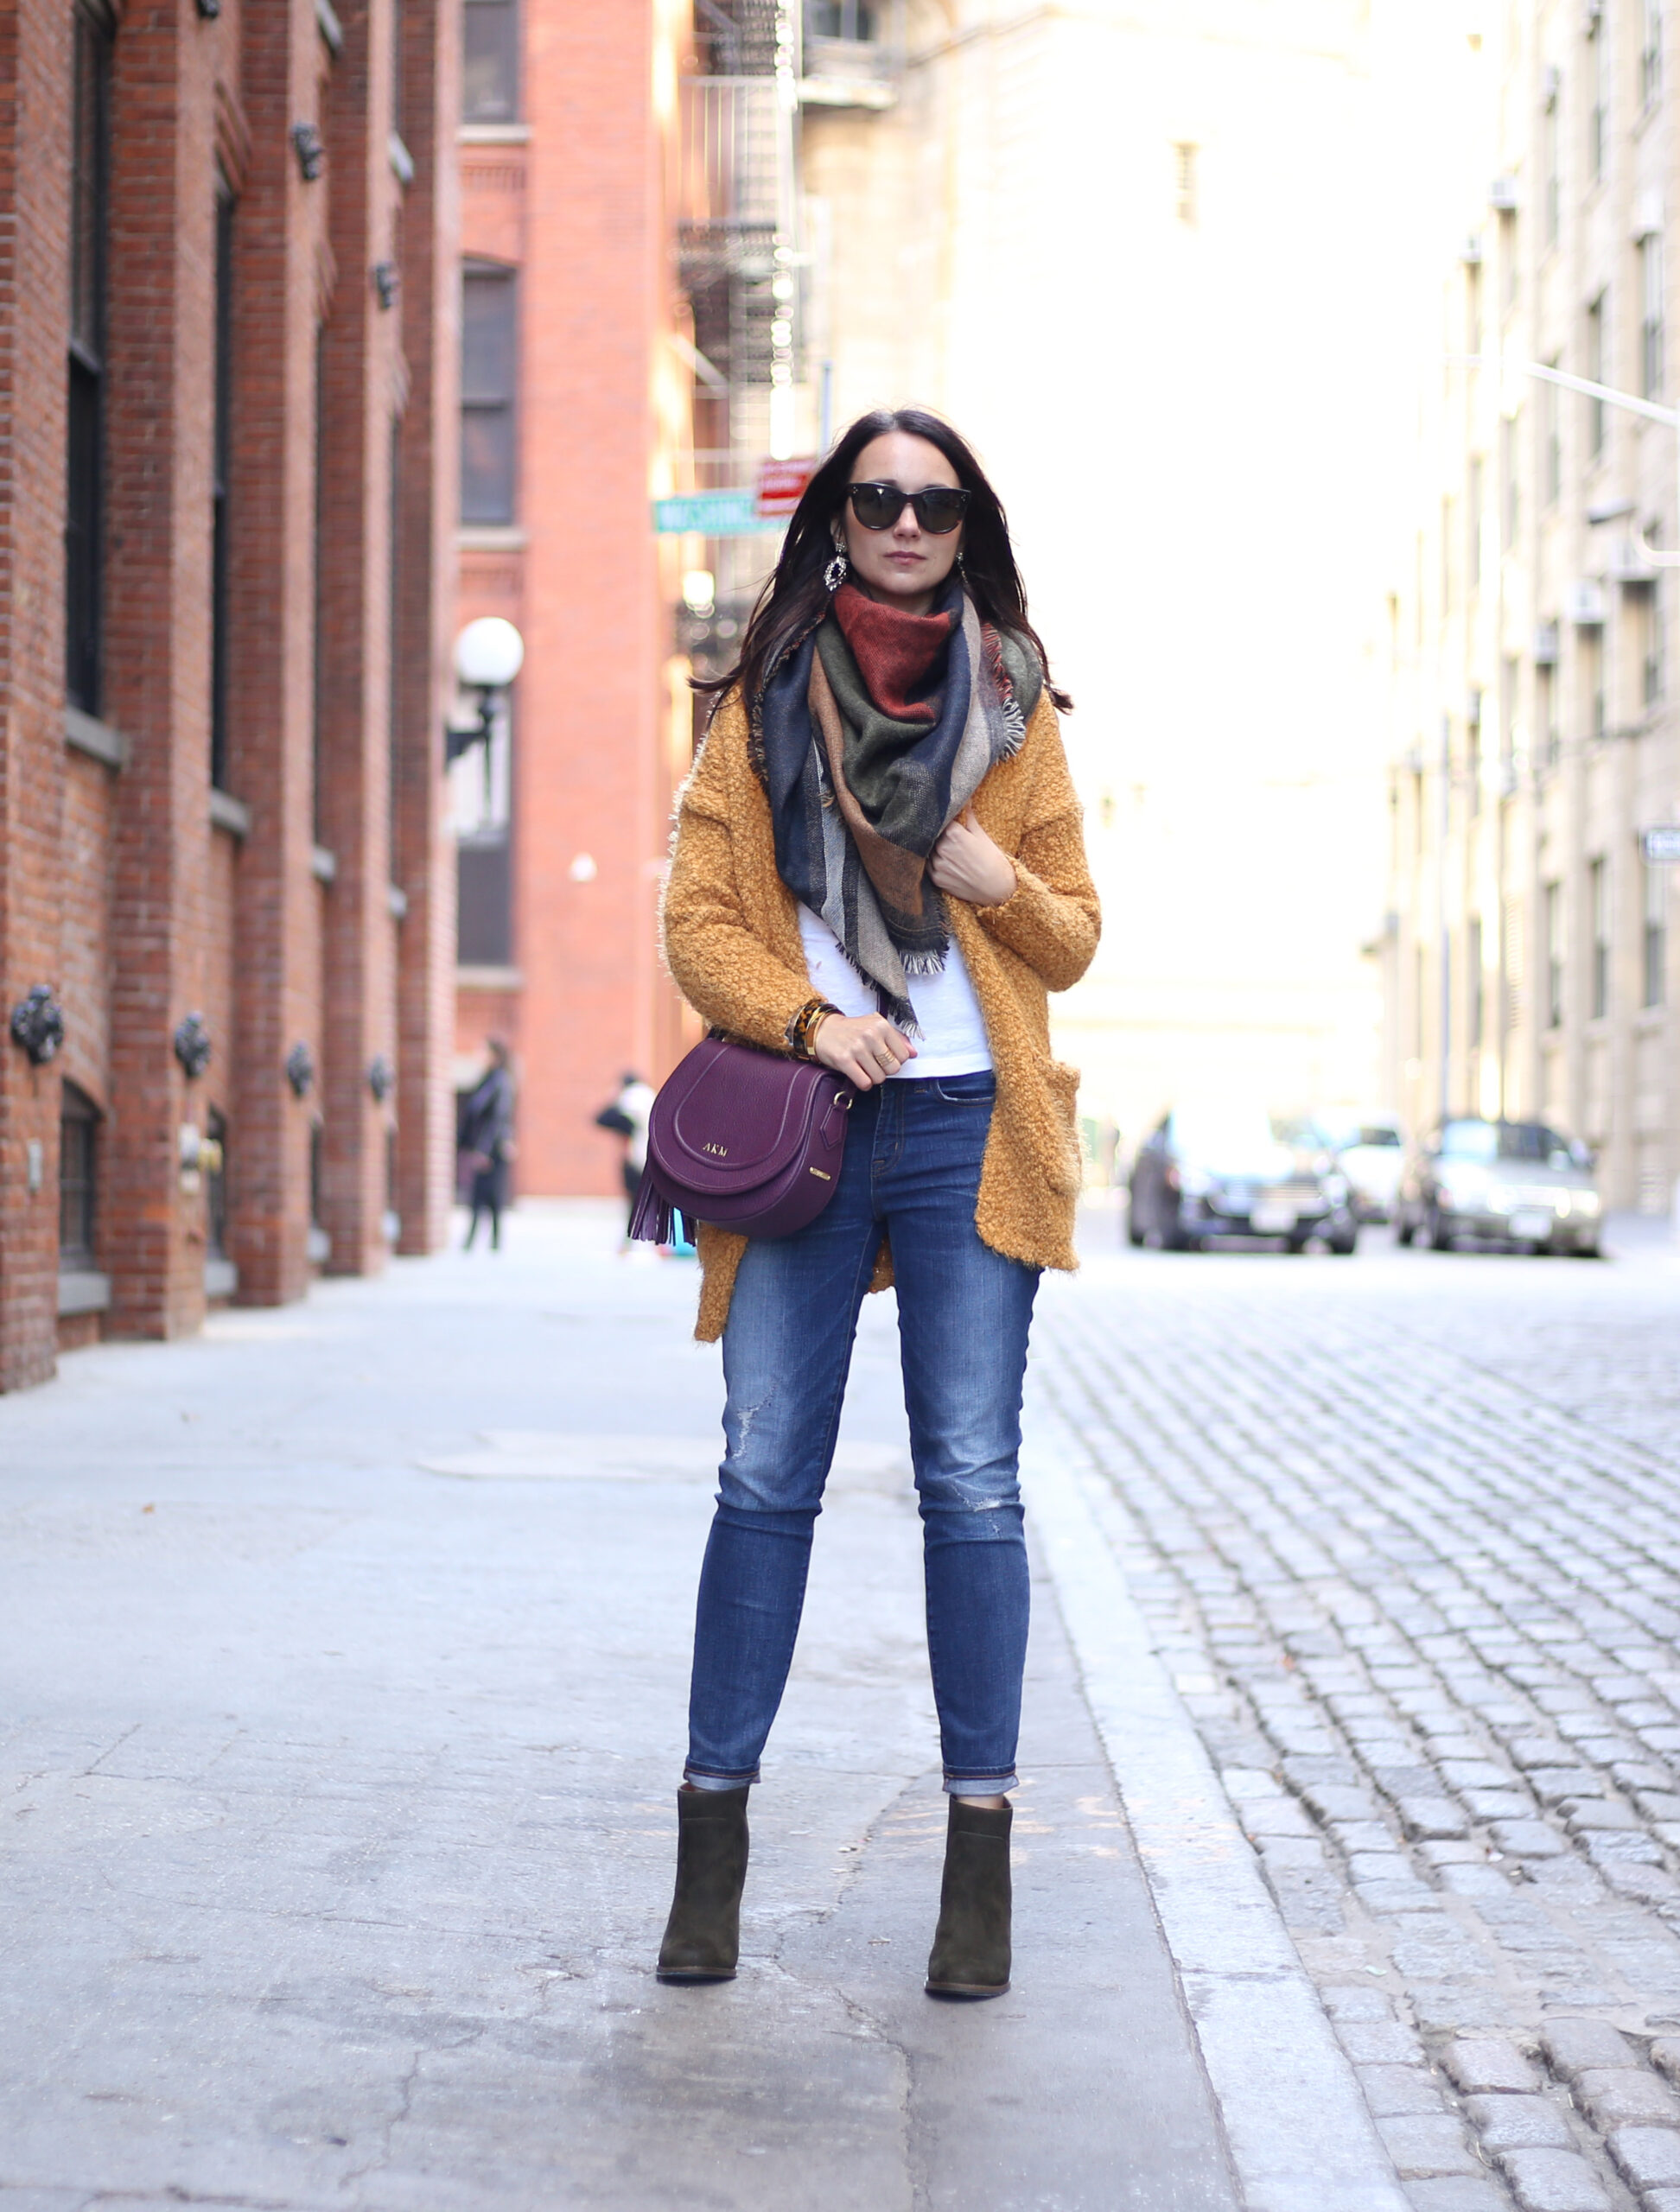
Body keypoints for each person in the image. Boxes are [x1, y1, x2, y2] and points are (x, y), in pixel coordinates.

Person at [655, 408, 1099, 1998]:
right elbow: (696, 921)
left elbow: (1071, 939)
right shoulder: (758, 707)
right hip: (812, 1123)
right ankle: (708, 1860)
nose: (905, 522)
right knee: (762, 1470)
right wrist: (807, 1018)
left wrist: (1000, 886)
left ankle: (975, 1877)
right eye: (876, 499)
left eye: (933, 501)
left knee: (971, 1483)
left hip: (972, 1124)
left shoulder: (1015, 702)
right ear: (837, 522)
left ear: (963, 524)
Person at [459, 1039, 514, 1251]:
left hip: (491, 1151)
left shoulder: (500, 1082)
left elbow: (497, 1119)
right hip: (485, 1148)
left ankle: (489, 1243)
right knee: (480, 1197)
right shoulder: (488, 1080)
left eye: (484, 1052)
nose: (479, 1056)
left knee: (489, 1196)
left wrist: (484, 1150)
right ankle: (479, 1242)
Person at [594, 1071, 657, 1250]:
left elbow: (602, 1119)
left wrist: (614, 1098)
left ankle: (631, 1242)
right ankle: (653, 1242)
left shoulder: (631, 1099)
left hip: (636, 1157)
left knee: (634, 1200)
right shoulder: (649, 1096)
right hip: (652, 1157)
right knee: (649, 1200)